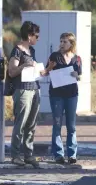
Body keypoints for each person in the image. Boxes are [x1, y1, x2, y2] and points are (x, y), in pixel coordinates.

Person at [40, 33, 82, 165]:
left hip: (72, 95)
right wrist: (49, 67)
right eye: (61, 41)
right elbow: (45, 73)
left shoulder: (77, 59)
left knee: (71, 125)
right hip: (57, 95)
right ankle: (58, 155)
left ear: (71, 44)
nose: (62, 44)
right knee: (57, 124)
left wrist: (76, 75)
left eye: (65, 42)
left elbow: (79, 76)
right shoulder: (54, 56)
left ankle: (72, 155)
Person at [8, 21, 41, 168]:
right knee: (20, 123)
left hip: (34, 89)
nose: (37, 39)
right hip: (22, 90)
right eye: (36, 36)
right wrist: (24, 65)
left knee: (31, 124)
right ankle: (15, 156)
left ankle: (28, 155)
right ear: (29, 35)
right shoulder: (17, 51)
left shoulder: (31, 51)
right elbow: (11, 71)